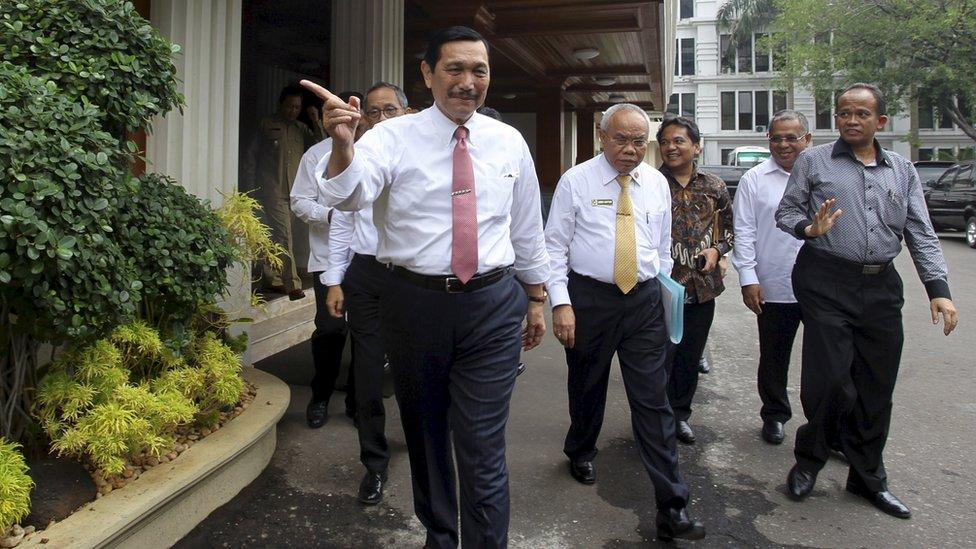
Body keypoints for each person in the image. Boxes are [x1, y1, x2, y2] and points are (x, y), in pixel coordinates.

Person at [301, 26, 549, 548]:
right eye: (454, 69)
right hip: (413, 305)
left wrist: (537, 297)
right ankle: (440, 536)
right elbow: (351, 197)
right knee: (426, 433)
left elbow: (527, 227)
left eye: (478, 70)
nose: (467, 82)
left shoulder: (508, 142)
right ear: (428, 75)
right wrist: (343, 146)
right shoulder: (391, 137)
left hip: (493, 303)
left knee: (482, 444)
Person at [775, 83, 958, 519]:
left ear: (880, 121)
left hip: (880, 287)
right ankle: (809, 460)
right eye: (842, 113)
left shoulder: (902, 170)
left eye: (860, 113)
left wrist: (940, 292)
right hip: (825, 279)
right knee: (833, 380)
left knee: (877, 386)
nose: (850, 120)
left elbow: (921, 232)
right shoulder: (813, 161)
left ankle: (867, 478)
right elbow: (786, 213)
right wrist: (808, 229)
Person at [545, 103, 705, 541]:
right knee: (587, 383)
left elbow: (664, 245)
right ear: (601, 135)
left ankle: (673, 506)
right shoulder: (575, 182)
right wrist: (561, 304)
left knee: (654, 402)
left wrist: (662, 291)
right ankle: (580, 449)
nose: (631, 149)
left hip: (643, 304)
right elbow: (554, 247)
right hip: (590, 300)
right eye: (621, 139)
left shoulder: (655, 184)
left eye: (639, 141)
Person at [322, 81, 412, 506]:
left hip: (414, 278)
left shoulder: (422, 156)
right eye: (372, 112)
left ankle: (425, 439)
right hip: (367, 277)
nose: (379, 119)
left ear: (408, 112)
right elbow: (341, 224)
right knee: (369, 374)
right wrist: (335, 280)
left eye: (389, 110)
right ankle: (374, 462)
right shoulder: (347, 160)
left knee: (420, 370)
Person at [731, 110, 812, 445]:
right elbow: (744, 231)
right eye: (776, 137)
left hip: (822, 285)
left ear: (807, 139)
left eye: (791, 137)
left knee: (826, 362)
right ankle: (775, 414)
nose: (783, 144)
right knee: (774, 357)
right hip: (774, 284)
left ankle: (824, 424)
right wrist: (748, 278)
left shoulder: (824, 176)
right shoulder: (755, 180)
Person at [289, 91, 365, 430]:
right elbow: (299, 202)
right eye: (332, 112)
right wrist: (332, 216)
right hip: (327, 259)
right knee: (331, 330)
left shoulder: (376, 154)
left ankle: (355, 398)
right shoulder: (314, 156)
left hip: (368, 260)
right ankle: (320, 395)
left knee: (365, 334)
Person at [657, 116, 734, 445]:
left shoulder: (714, 186)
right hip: (661, 287)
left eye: (679, 141)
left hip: (702, 288)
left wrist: (718, 250)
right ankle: (654, 417)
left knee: (689, 356)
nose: (671, 147)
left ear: (697, 146)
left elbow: (729, 229)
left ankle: (679, 415)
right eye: (665, 142)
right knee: (658, 359)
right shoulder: (649, 182)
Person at [248, 84, 314, 300]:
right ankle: (293, 284)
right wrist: (250, 188)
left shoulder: (301, 129)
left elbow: (322, 146)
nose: (292, 111)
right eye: (289, 106)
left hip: (294, 190)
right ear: (280, 104)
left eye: (297, 107)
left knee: (279, 235)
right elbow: (251, 156)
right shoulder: (266, 124)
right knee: (284, 235)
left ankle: (272, 278)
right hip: (271, 188)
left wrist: (316, 121)